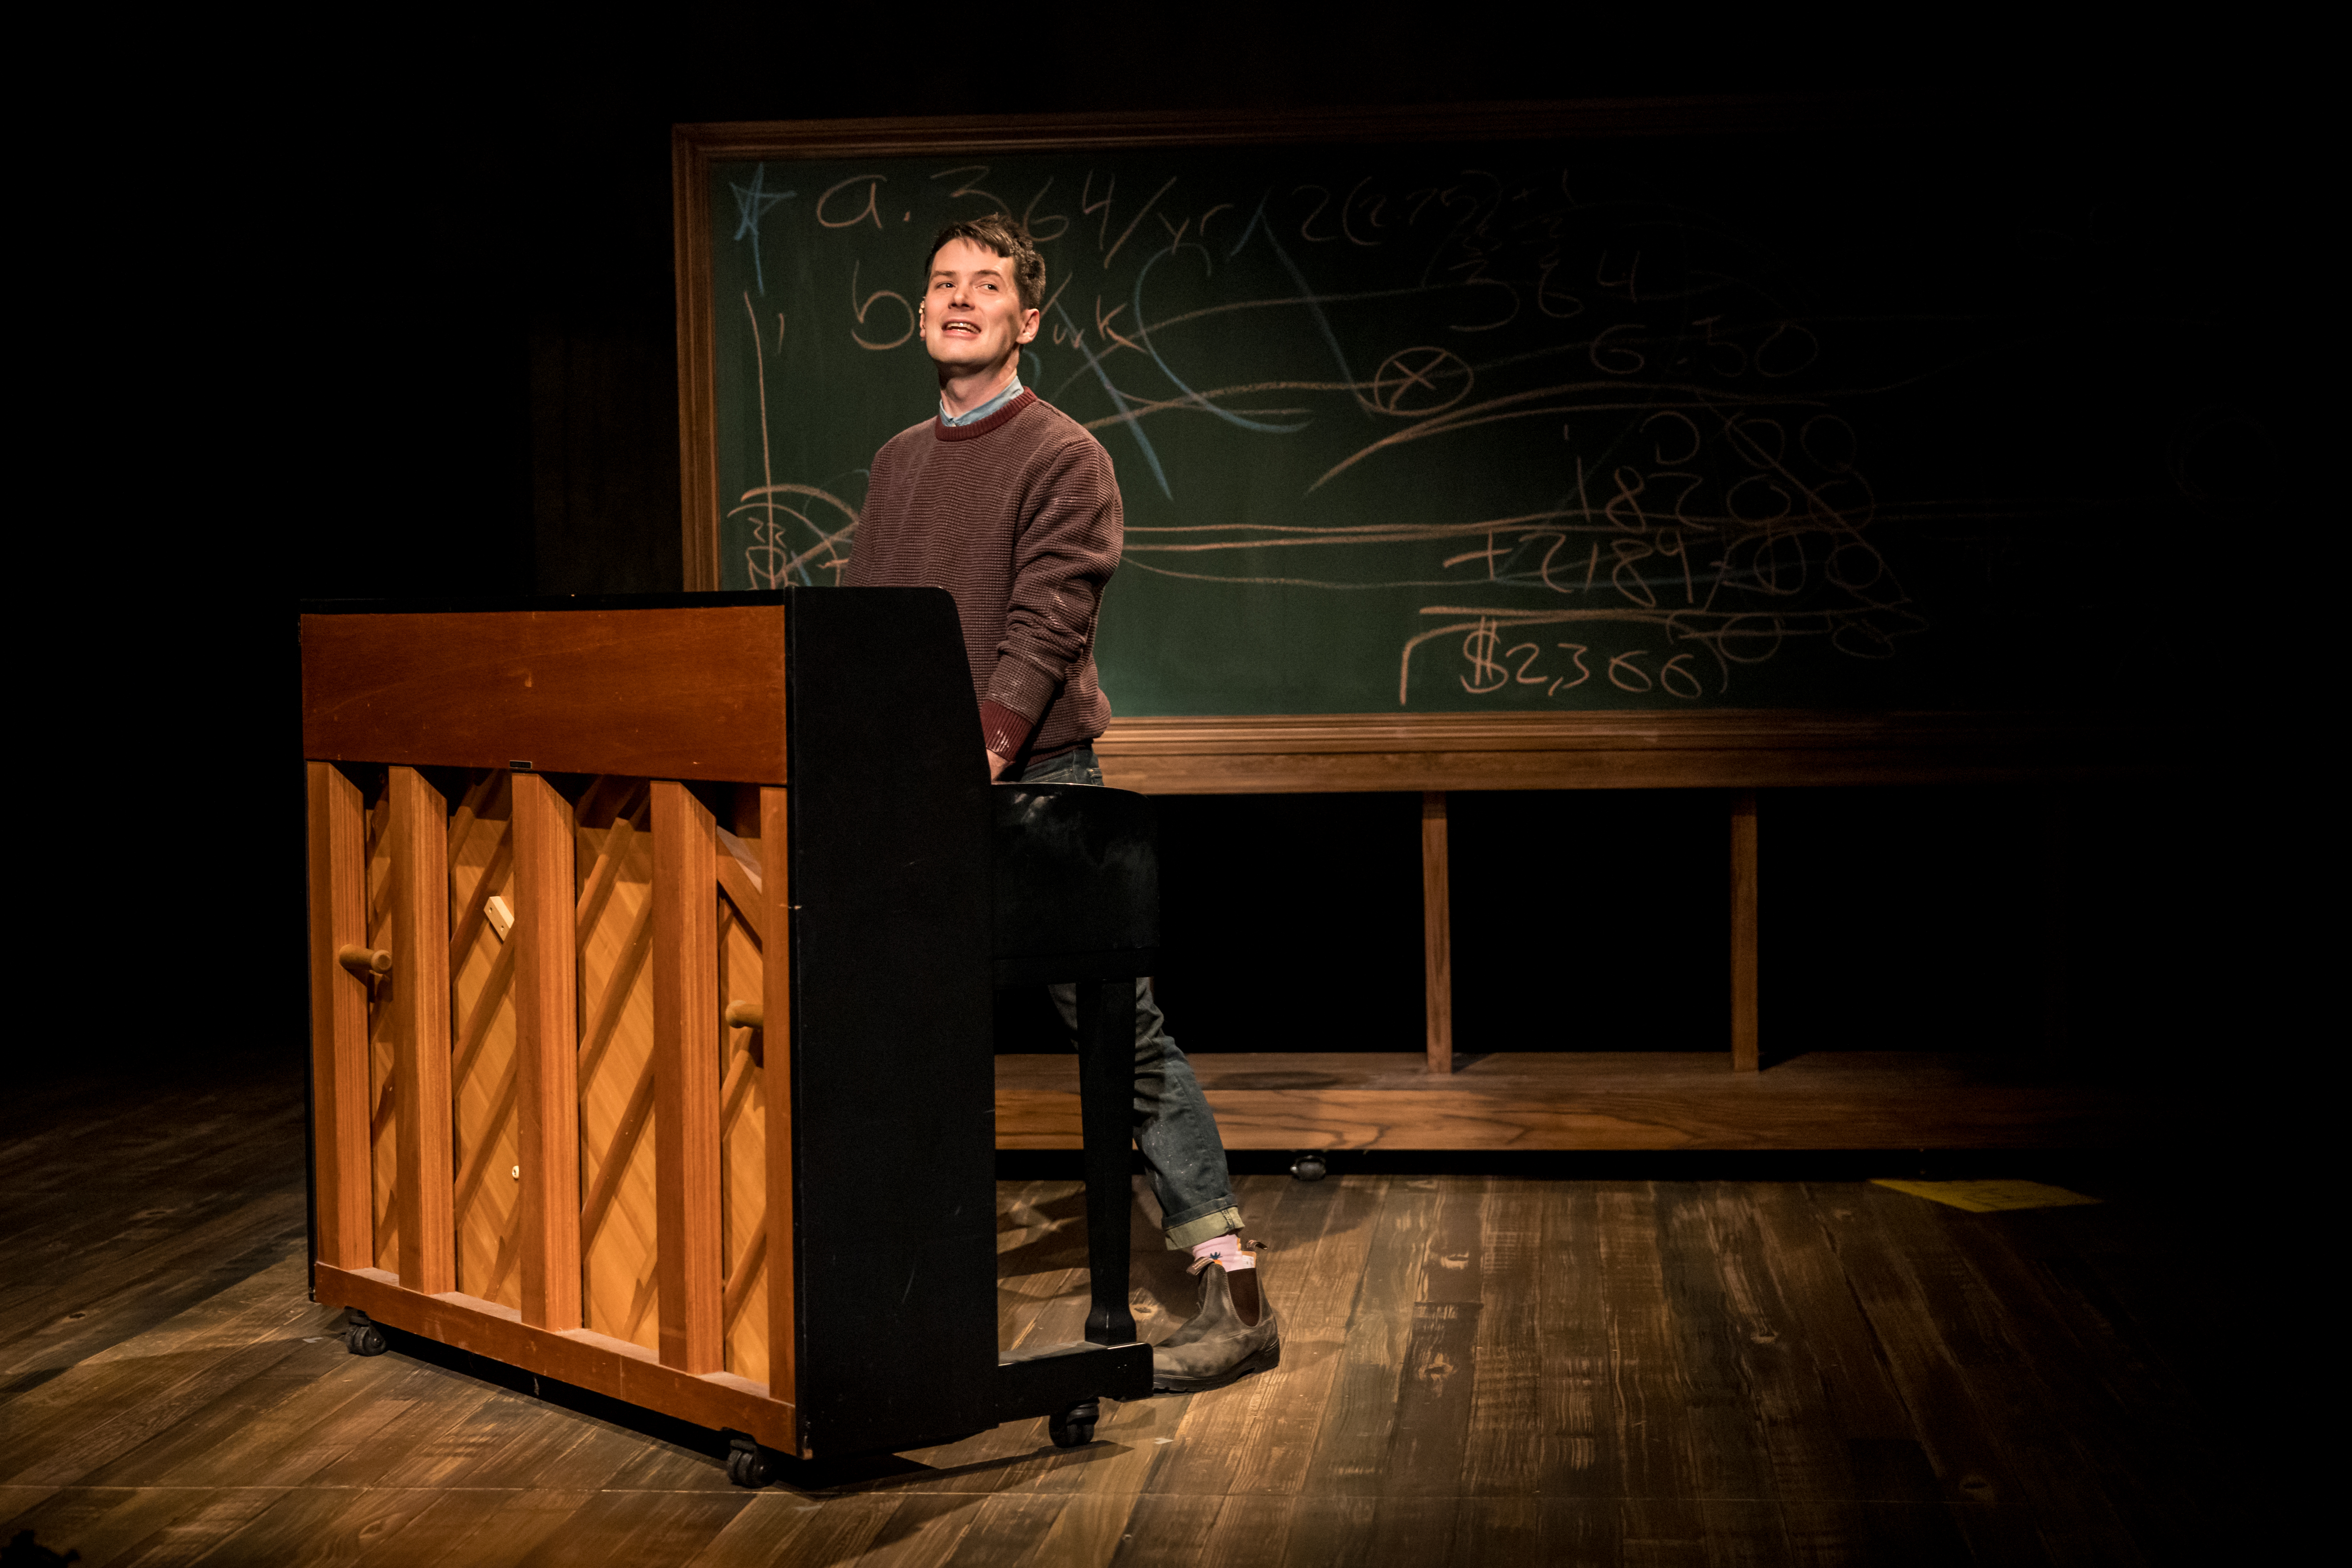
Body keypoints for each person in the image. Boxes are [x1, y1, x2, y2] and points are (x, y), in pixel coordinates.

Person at [845, 215, 1276, 1393]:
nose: (960, 299)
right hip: (905, 795)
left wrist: (969, 762)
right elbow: (869, 638)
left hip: (1031, 785)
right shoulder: (894, 462)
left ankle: (1233, 1288)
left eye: (986, 285)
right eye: (942, 283)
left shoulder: (1063, 454)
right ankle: (893, 1280)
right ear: (921, 310)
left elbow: (1045, 626)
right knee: (891, 1024)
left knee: (1118, 1036)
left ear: (1026, 320)